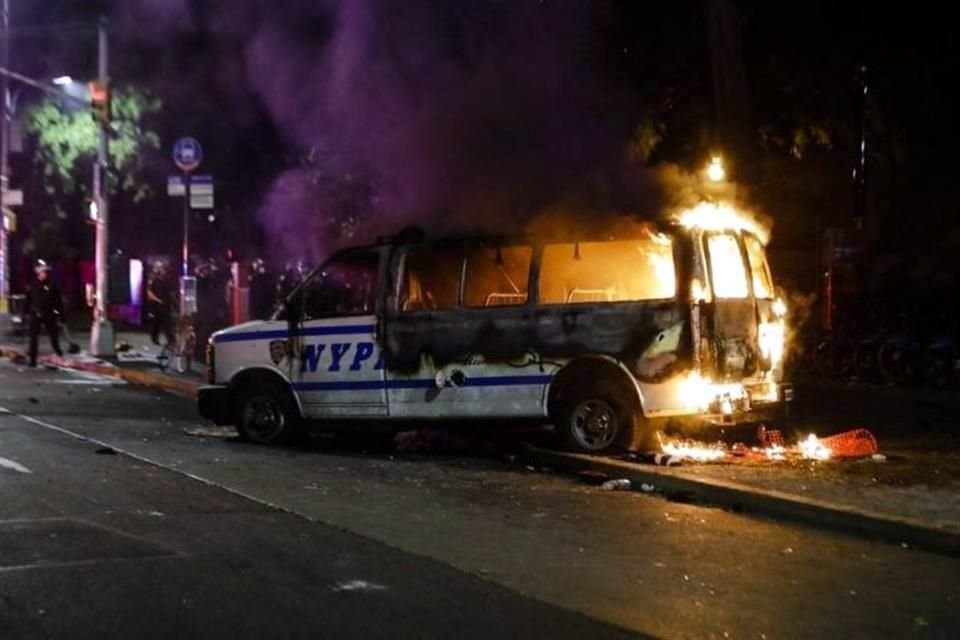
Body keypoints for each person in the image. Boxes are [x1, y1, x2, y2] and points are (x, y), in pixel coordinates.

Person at [25, 260, 64, 367]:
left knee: (53, 336)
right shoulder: (33, 285)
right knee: (33, 337)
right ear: (38, 273)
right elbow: (28, 300)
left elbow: (58, 301)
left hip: (49, 313)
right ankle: (32, 360)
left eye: (46, 272)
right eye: (43, 272)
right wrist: (25, 314)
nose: (45, 274)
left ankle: (58, 353)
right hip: (36, 314)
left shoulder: (52, 285)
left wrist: (61, 315)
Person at [145, 262, 175, 346]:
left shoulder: (167, 280)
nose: (163, 272)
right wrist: (158, 300)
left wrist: (173, 302)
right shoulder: (153, 280)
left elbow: (171, 293)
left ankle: (171, 340)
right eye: (162, 270)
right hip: (156, 305)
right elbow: (149, 293)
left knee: (168, 323)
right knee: (156, 323)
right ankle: (154, 338)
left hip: (166, 305)